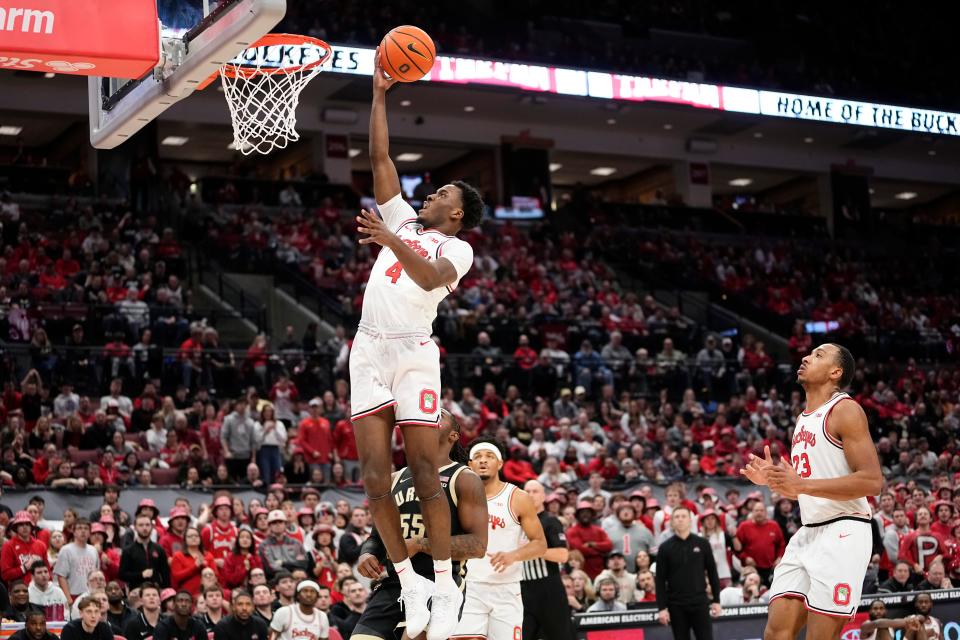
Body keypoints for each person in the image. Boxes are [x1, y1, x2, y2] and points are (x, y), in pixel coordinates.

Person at [350, 46, 484, 640]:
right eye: (430, 192)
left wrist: (386, 235)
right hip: (368, 348)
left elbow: (429, 279)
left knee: (426, 471)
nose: (430, 195)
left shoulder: (458, 249)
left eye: (442, 195)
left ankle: (449, 582)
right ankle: (409, 578)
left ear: (456, 215)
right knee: (376, 477)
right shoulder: (402, 219)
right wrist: (379, 93)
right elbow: (380, 154)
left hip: (413, 352)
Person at [742, 343, 882, 639]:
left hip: (845, 531)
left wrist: (800, 484)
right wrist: (775, 482)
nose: (806, 357)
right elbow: (810, 491)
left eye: (818, 355)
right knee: (776, 633)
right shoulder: (803, 419)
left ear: (836, 372)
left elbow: (872, 481)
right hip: (809, 532)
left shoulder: (845, 410)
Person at [352, 409, 488, 640]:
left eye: (440, 415)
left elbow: (477, 546)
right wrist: (367, 554)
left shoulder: (464, 478)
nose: (430, 417)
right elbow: (377, 536)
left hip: (440, 583)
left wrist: (420, 544)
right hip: (396, 582)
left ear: (453, 435)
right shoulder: (395, 478)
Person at [451, 439, 547, 640]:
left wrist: (514, 556)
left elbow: (540, 544)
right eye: (477, 457)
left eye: (489, 456)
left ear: (500, 463)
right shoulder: (457, 496)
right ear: (469, 465)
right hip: (468, 586)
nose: (483, 461)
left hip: (506, 589)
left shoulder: (517, 497)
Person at [655, 507, 722, 640]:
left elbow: (712, 573)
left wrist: (716, 600)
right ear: (672, 522)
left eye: (683, 516)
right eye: (677, 517)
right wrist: (662, 608)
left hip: (700, 602)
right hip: (676, 605)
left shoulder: (702, 544)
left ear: (690, 521)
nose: (680, 519)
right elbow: (660, 580)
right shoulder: (665, 548)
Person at [521, 479, 575, 640]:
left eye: (535, 491)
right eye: (527, 491)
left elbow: (563, 555)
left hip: (549, 589)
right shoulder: (516, 523)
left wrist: (533, 549)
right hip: (523, 590)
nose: (530, 495)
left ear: (544, 496)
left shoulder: (550, 522)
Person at [735, 501, 785, 585]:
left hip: (770, 568)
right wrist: (745, 557)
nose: (759, 513)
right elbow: (736, 548)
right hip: (751, 569)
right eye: (756, 510)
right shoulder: (744, 526)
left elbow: (781, 544)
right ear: (752, 512)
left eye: (761, 510)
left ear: (766, 513)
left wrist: (779, 557)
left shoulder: (774, 525)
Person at [54, 519, 100, 606]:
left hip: (91, 595)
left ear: (90, 532)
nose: (83, 531)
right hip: (74, 595)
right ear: (74, 532)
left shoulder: (93, 550)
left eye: (86, 528)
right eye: (79, 528)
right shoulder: (66, 550)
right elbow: (61, 576)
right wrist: (68, 598)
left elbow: (97, 574)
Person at [119, 514, 171, 589]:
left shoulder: (159, 549)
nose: (144, 528)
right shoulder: (128, 551)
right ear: (135, 527)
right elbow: (122, 574)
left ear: (152, 527)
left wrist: (165, 591)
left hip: (155, 592)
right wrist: (141, 575)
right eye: (141, 525)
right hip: (136, 592)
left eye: (147, 525)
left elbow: (165, 574)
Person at [2, 511, 48, 586]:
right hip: (19, 591)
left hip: (40, 590)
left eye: (27, 524)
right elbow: (5, 575)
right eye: (21, 524)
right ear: (16, 527)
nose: (25, 527)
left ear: (31, 526)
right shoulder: (8, 545)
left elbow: (48, 571)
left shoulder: (41, 545)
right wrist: (25, 567)